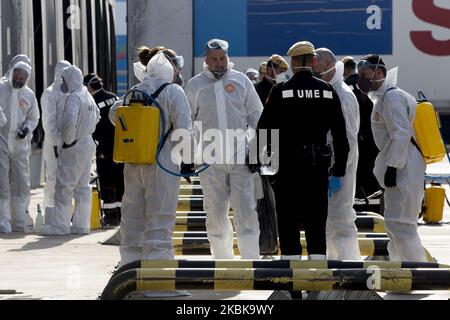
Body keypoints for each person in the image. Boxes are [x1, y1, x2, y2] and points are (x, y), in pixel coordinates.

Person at [257, 41, 350, 261]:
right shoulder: (328, 91)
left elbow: (263, 129)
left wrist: (259, 162)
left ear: (293, 63)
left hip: (287, 170)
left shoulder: (280, 90)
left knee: (288, 226)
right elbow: (340, 134)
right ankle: (316, 284)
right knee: (316, 225)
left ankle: (292, 289)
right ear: (314, 61)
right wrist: (339, 168)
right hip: (317, 170)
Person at [109, 50, 193, 266]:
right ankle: (158, 276)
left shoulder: (135, 90)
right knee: (160, 217)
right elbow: (184, 129)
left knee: (133, 218)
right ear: (169, 68)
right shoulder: (173, 91)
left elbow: (114, 113)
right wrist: (188, 161)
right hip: (162, 164)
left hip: (134, 161)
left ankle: (129, 270)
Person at [185, 39, 263, 260]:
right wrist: (186, 155)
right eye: (214, 59)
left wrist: (262, 152)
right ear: (206, 60)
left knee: (246, 210)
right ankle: (222, 260)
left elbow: (259, 117)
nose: (219, 63)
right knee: (215, 212)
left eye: (222, 58)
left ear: (228, 58)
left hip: (241, 157)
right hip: (209, 160)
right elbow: (186, 122)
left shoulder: (242, 81)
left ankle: (251, 260)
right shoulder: (195, 85)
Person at [358, 54, 427, 262]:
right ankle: (401, 270)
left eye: (365, 74)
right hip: (403, 163)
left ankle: (417, 274)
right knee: (395, 222)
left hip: (403, 165)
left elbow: (401, 134)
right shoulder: (386, 97)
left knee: (402, 223)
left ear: (379, 73)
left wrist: (393, 167)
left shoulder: (391, 97)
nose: (361, 79)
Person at [40, 65, 100, 236]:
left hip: (74, 145)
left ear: (70, 80)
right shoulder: (87, 95)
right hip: (87, 142)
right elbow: (97, 116)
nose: (62, 83)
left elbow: (68, 122)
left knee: (64, 186)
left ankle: (60, 226)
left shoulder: (74, 97)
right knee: (82, 186)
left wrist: (67, 141)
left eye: (64, 79)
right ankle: (81, 225)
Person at [314, 48, 361, 260]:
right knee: (329, 221)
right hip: (330, 166)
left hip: (340, 169)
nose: (313, 70)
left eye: (316, 65)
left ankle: (350, 272)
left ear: (327, 65)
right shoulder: (328, 91)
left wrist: (339, 170)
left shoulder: (342, 94)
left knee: (341, 219)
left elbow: (349, 138)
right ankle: (333, 272)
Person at [0, 61, 40, 233]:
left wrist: (27, 128)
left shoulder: (29, 94)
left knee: (22, 182)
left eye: (22, 79)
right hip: (1, 139)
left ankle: (19, 219)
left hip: (19, 144)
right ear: (12, 73)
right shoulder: (1, 88)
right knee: (2, 182)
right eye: (16, 76)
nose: (18, 80)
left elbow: (34, 117)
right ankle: (3, 219)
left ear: (27, 79)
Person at [84, 73, 123, 227]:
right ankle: (121, 214)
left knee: (107, 179)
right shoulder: (114, 97)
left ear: (89, 86)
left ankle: (111, 216)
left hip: (105, 146)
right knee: (120, 178)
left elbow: (92, 124)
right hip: (120, 144)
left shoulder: (92, 101)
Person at [343, 58, 380, 199]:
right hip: (371, 137)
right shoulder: (370, 87)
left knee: (357, 172)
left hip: (357, 136)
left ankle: (359, 198)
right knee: (371, 171)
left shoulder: (346, 86)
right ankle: (372, 199)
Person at [41, 60, 72, 225]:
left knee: (66, 180)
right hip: (54, 142)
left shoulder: (71, 92)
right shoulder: (50, 93)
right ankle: (50, 215)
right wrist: (56, 142)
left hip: (68, 142)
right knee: (53, 177)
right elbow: (49, 122)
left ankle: (63, 216)